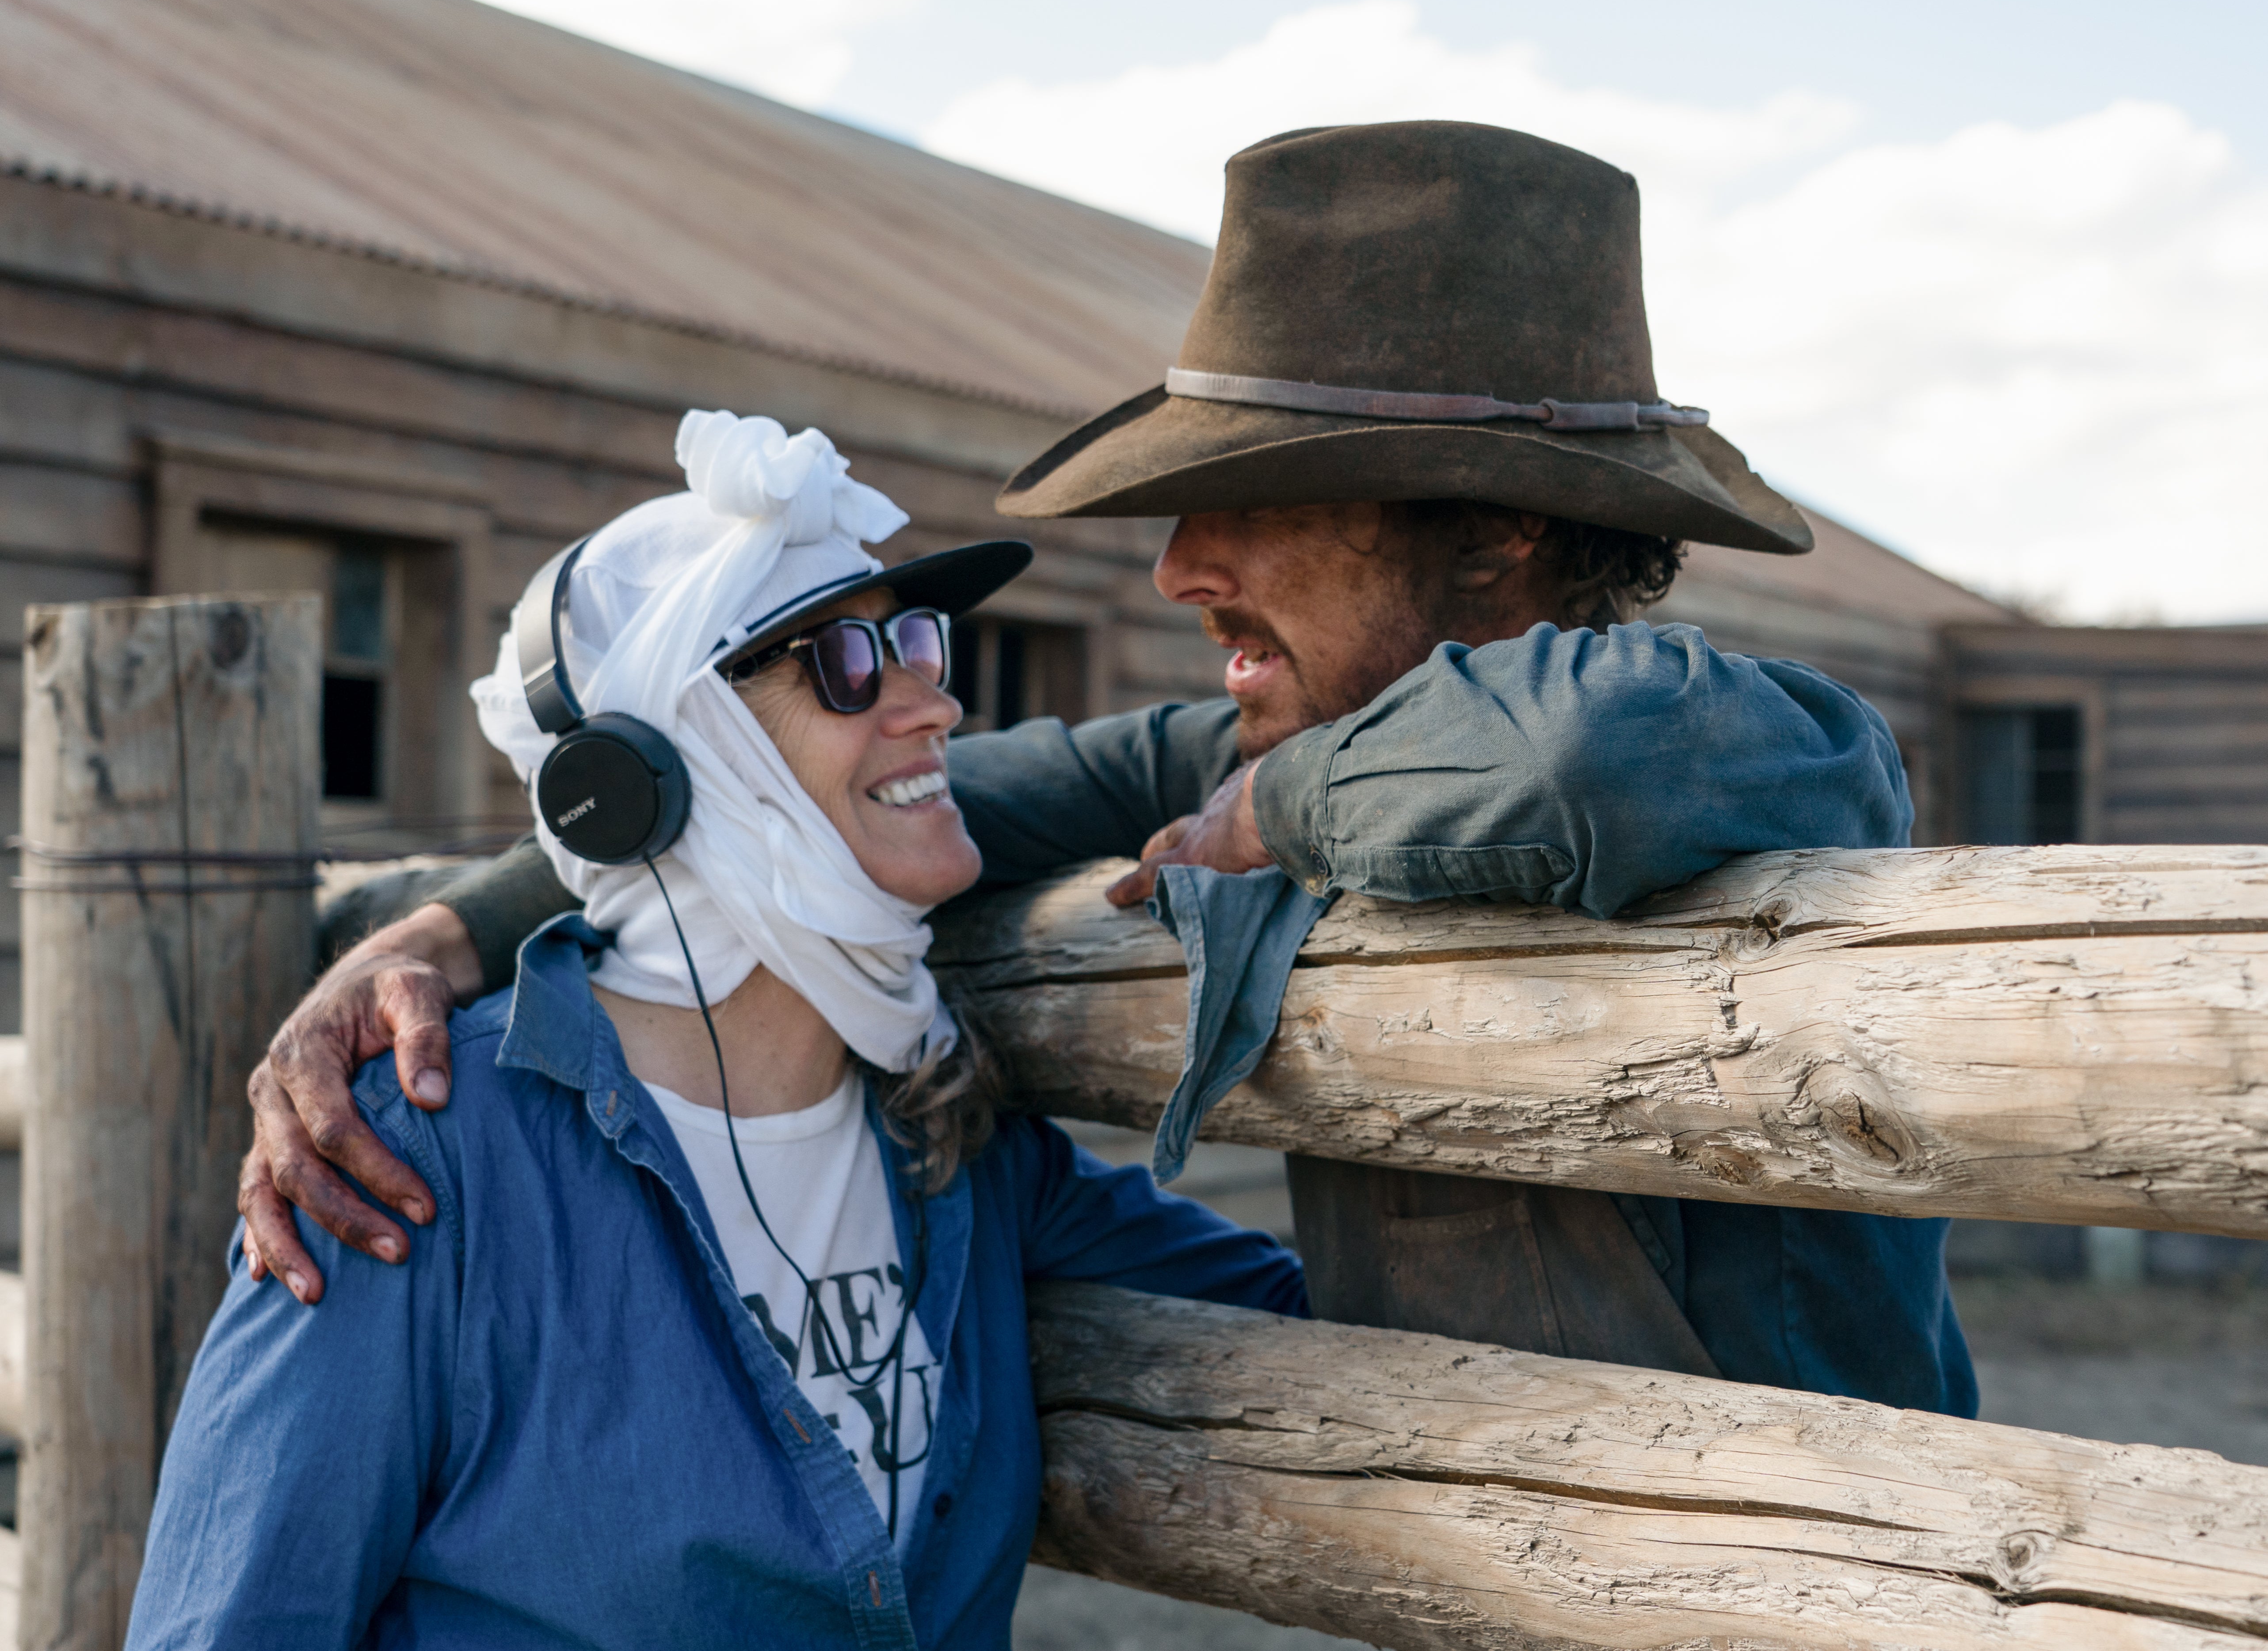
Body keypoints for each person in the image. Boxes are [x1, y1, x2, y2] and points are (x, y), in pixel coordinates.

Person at [239, 121, 1974, 1415]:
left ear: (1497, 531)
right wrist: (443, 937)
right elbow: (841, 804)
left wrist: (1266, 816)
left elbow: (1572, 766)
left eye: (1259, 503)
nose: (1176, 569)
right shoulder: (1243, 743)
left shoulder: (1742, 740)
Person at [127, 414, 1304, 1649]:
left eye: (918, 642)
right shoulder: (419, 1160)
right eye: (849, 662)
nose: (934, 702)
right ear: (660, 761)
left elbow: (1314, 1322)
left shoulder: (959, 1147)